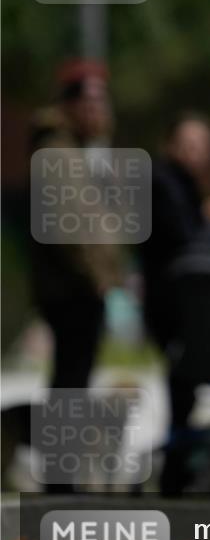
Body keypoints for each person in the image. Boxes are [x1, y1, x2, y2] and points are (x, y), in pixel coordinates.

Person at [138, 112, 210, 430]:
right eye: (187, 143)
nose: (195, 151)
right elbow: (188, 247)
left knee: (185, 385)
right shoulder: (164, 181)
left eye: (201, 145)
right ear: (169, 144)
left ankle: (179, 459)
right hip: (171, 301)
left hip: (178, 300)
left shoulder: (181, 183)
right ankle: (176, 465)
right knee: (182, 383)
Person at [29, 59, 122, 390]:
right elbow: (68, 227)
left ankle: (61, 438)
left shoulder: (71, 148)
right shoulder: (57, 151)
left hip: (73, 284)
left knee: (73, 375)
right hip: (71, 286)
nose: (100, 111)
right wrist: (96, 277)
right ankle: (48, 437)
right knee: (72, 376)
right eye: (92, 103)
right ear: (71, 105)